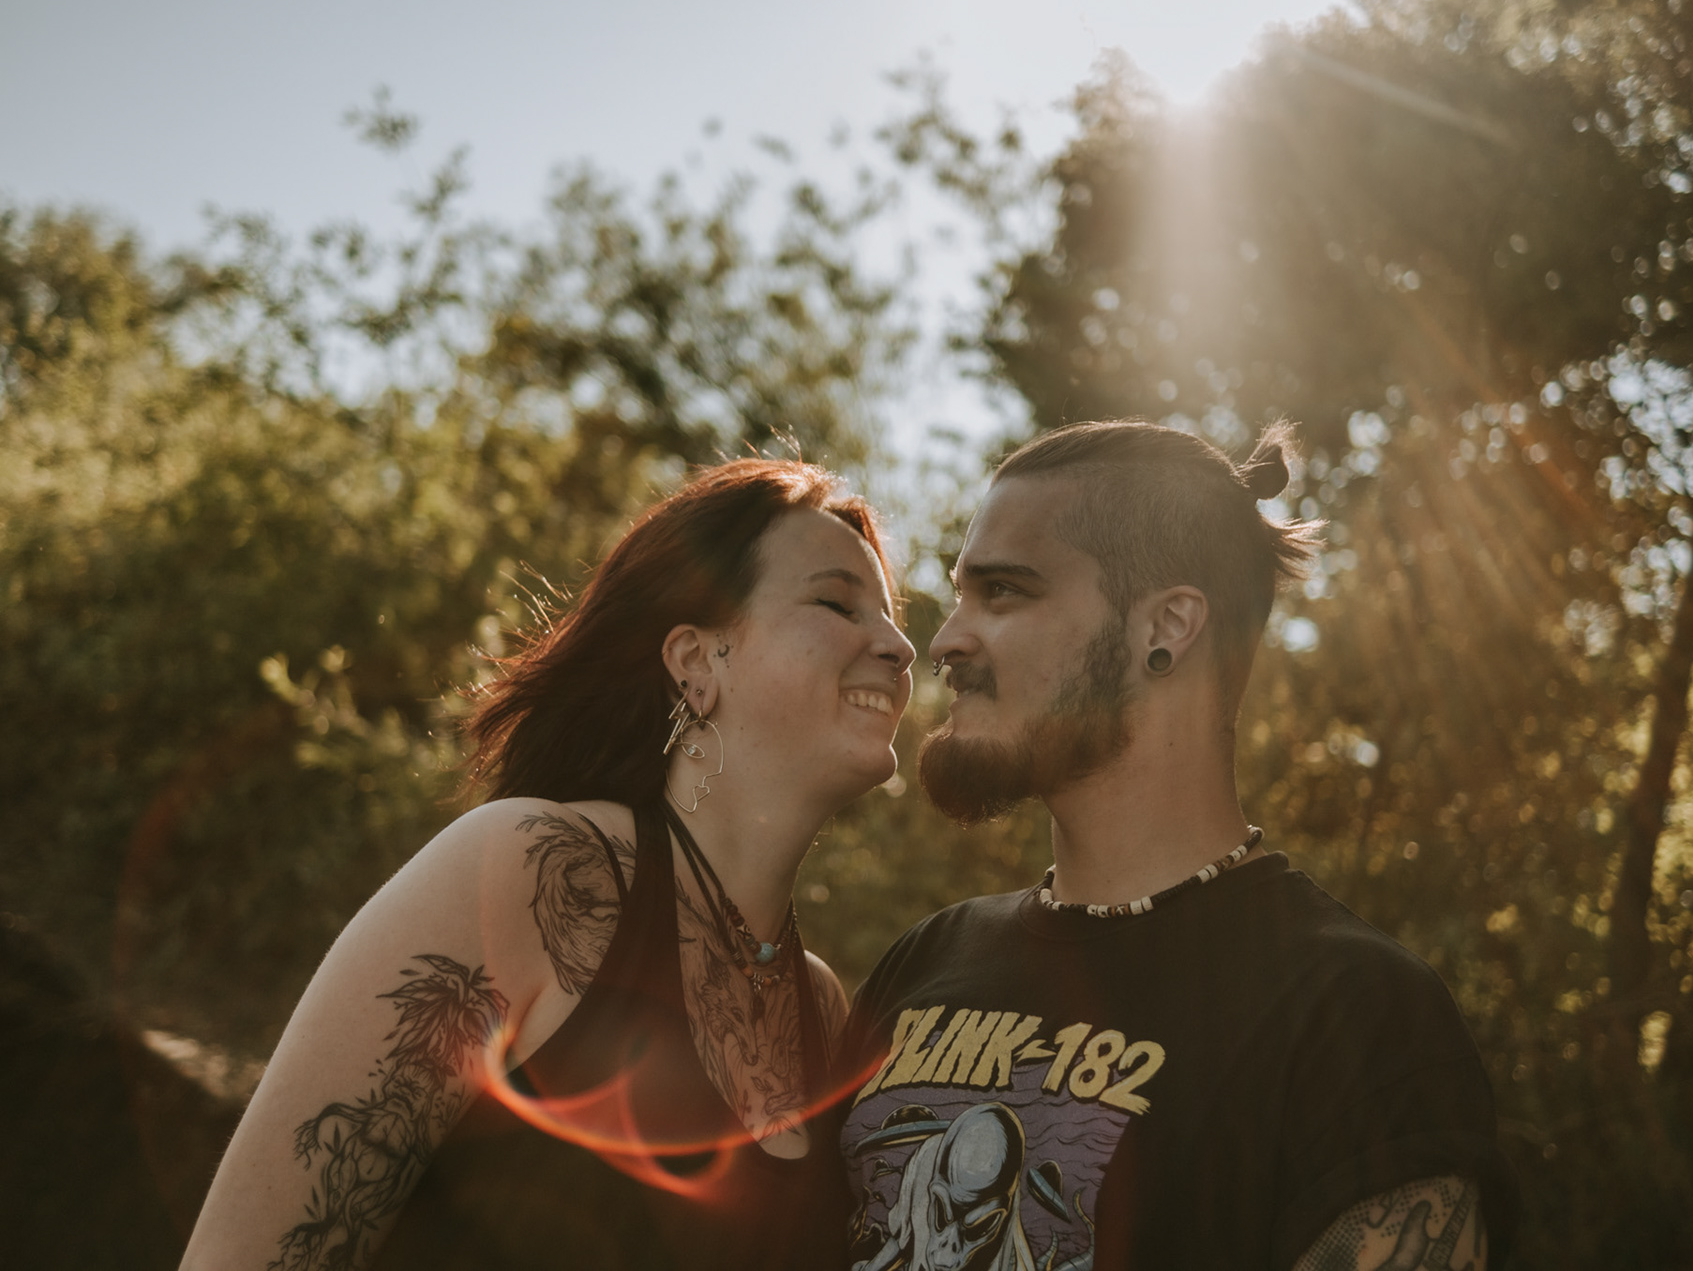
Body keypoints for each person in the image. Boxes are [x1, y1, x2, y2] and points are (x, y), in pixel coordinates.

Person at [183, 459, 915, 1271]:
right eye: (837, 604)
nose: (900, 647)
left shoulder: (820, 1010)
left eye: (892, 620)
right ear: (697, 661)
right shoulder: (527, 872)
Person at [836, 421, 1516, 1271]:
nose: (945, 641)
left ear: (1166, 626)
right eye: (960, 594)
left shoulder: (1355, 1016)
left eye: (1003, 592)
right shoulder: (924, 961)